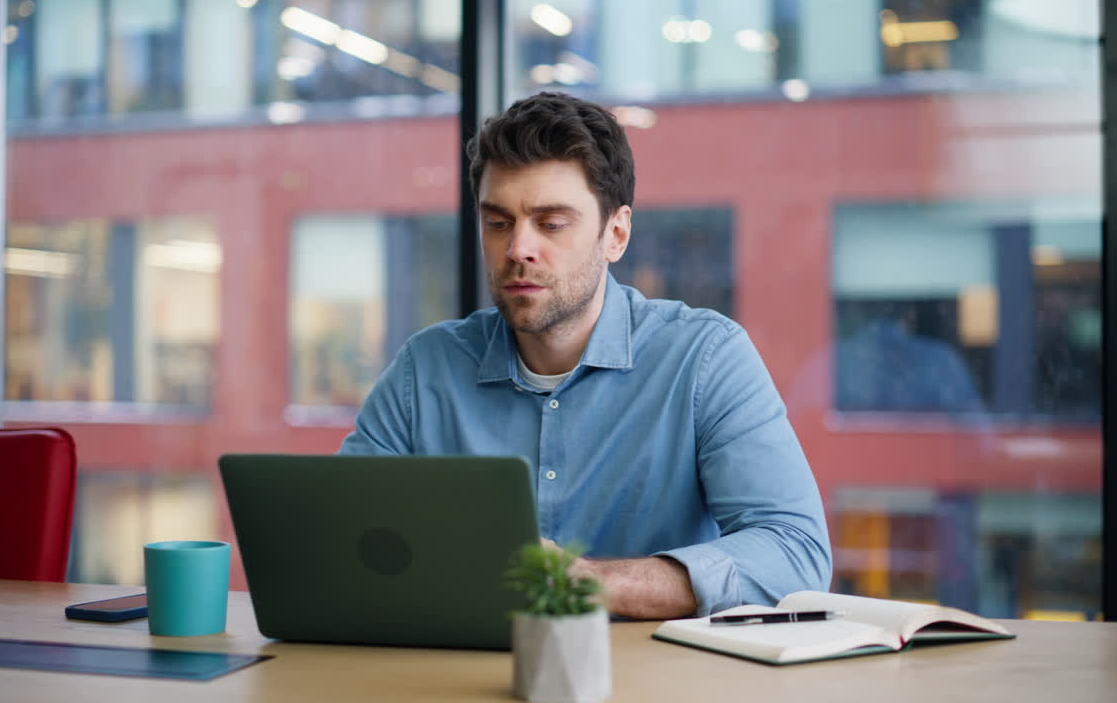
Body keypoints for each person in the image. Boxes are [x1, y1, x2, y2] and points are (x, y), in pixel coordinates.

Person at [339, 92, 831, 619]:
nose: (517, 249)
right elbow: (338, 544)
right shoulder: (426, 369)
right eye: (498, 222)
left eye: (551, 223)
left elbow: (795, 553)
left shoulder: (704, 358)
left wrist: (588, 582)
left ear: (615, 234)